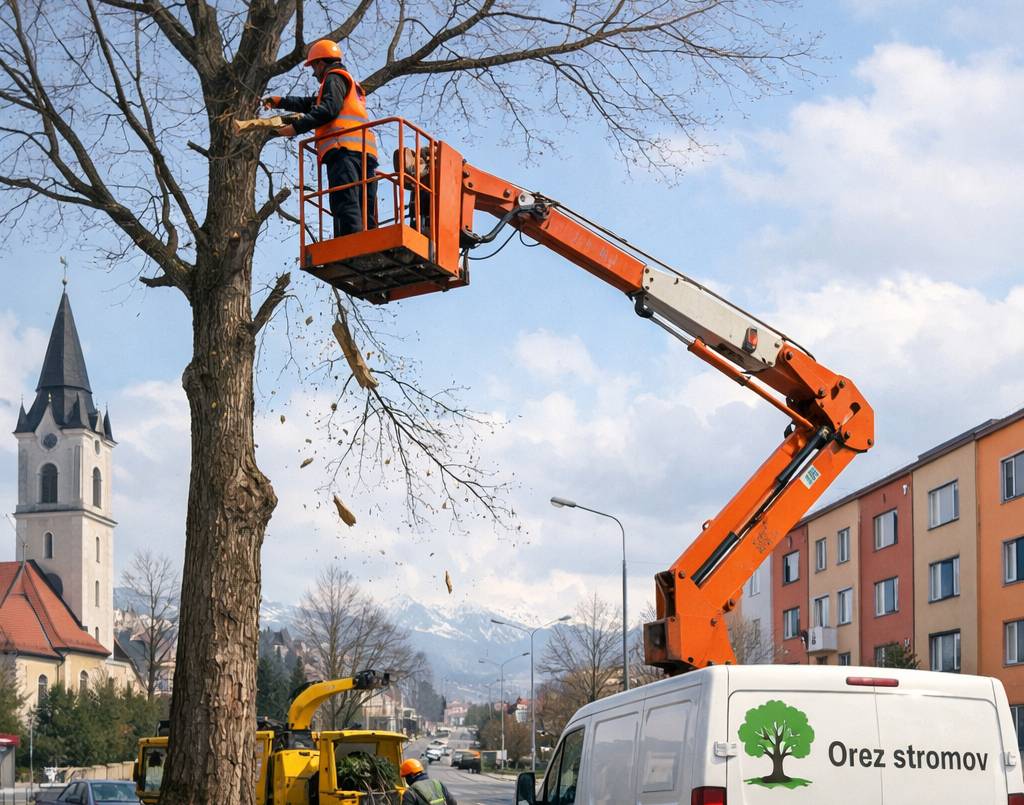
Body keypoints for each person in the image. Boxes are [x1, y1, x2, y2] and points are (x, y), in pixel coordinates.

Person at [264, 39, 378, 237]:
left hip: (342, 150)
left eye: (313, 67)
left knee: (346, 202)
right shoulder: (348, 83)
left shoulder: (333, 78)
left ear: (320, 63)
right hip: (364, 154)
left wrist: (295, 128)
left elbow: (327, 110)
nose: (314, 73)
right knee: (364, 206)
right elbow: (312, 103)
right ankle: (370, 244)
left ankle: (352, 248)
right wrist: (281, 102)